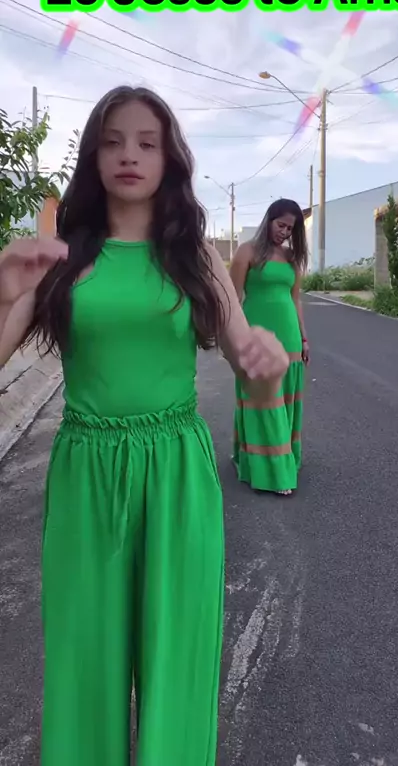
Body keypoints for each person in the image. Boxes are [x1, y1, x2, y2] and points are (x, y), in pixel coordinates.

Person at [0, 85, 289, 766]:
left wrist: (266, 368)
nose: (129, 154)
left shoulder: (197, 259)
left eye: (146, 142)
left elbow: (248, 368)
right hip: (86, 474)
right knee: (84, 659)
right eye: (113, 141)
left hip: (177, 472)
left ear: (169, 159)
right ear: (93, 157)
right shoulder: (58, 258)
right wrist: (3, 292)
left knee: (177, 656)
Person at [229, 199, 309, 496]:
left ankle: (280, 458)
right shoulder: (247, 251)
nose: (284, 232)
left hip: (289, 337)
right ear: (269, 220)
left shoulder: (291, 258)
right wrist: (234, 339)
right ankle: (273, 472)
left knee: (285, 402)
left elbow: (295, 299)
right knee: (263, 401)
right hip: (257, 338)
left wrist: (304, 338)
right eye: (281, 225)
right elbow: (233, 299)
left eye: (290, 229)